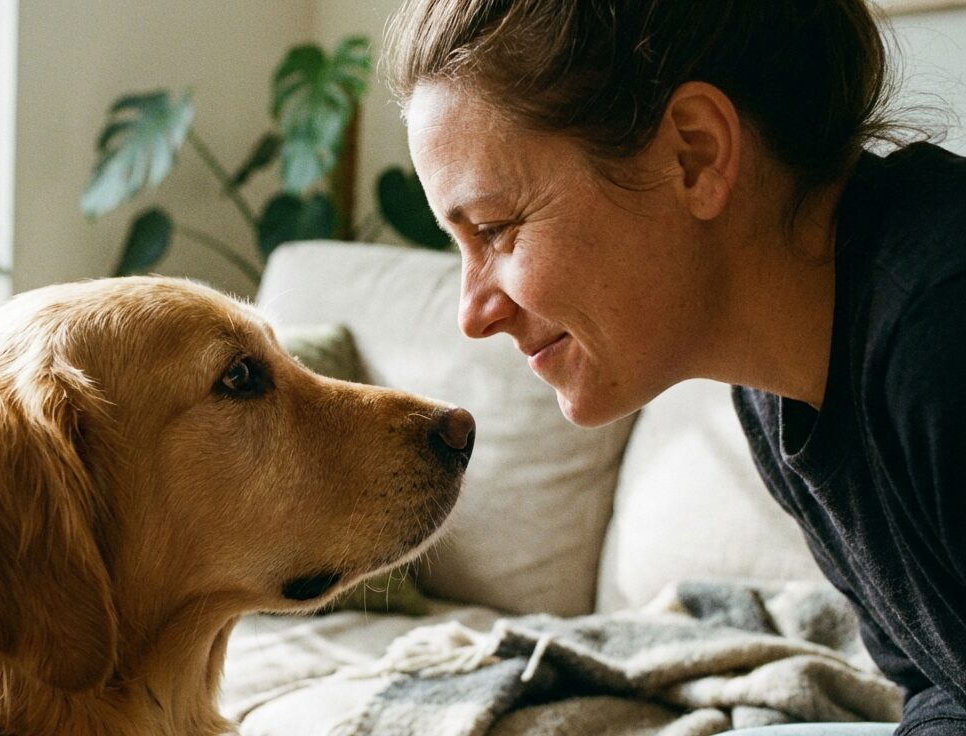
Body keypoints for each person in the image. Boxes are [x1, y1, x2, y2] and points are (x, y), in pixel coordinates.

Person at [384, 1, 966, 734]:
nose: (474, 313)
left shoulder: (941, 335)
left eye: (497, 229)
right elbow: (938, 685)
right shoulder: (781, 386)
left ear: (694, 153)